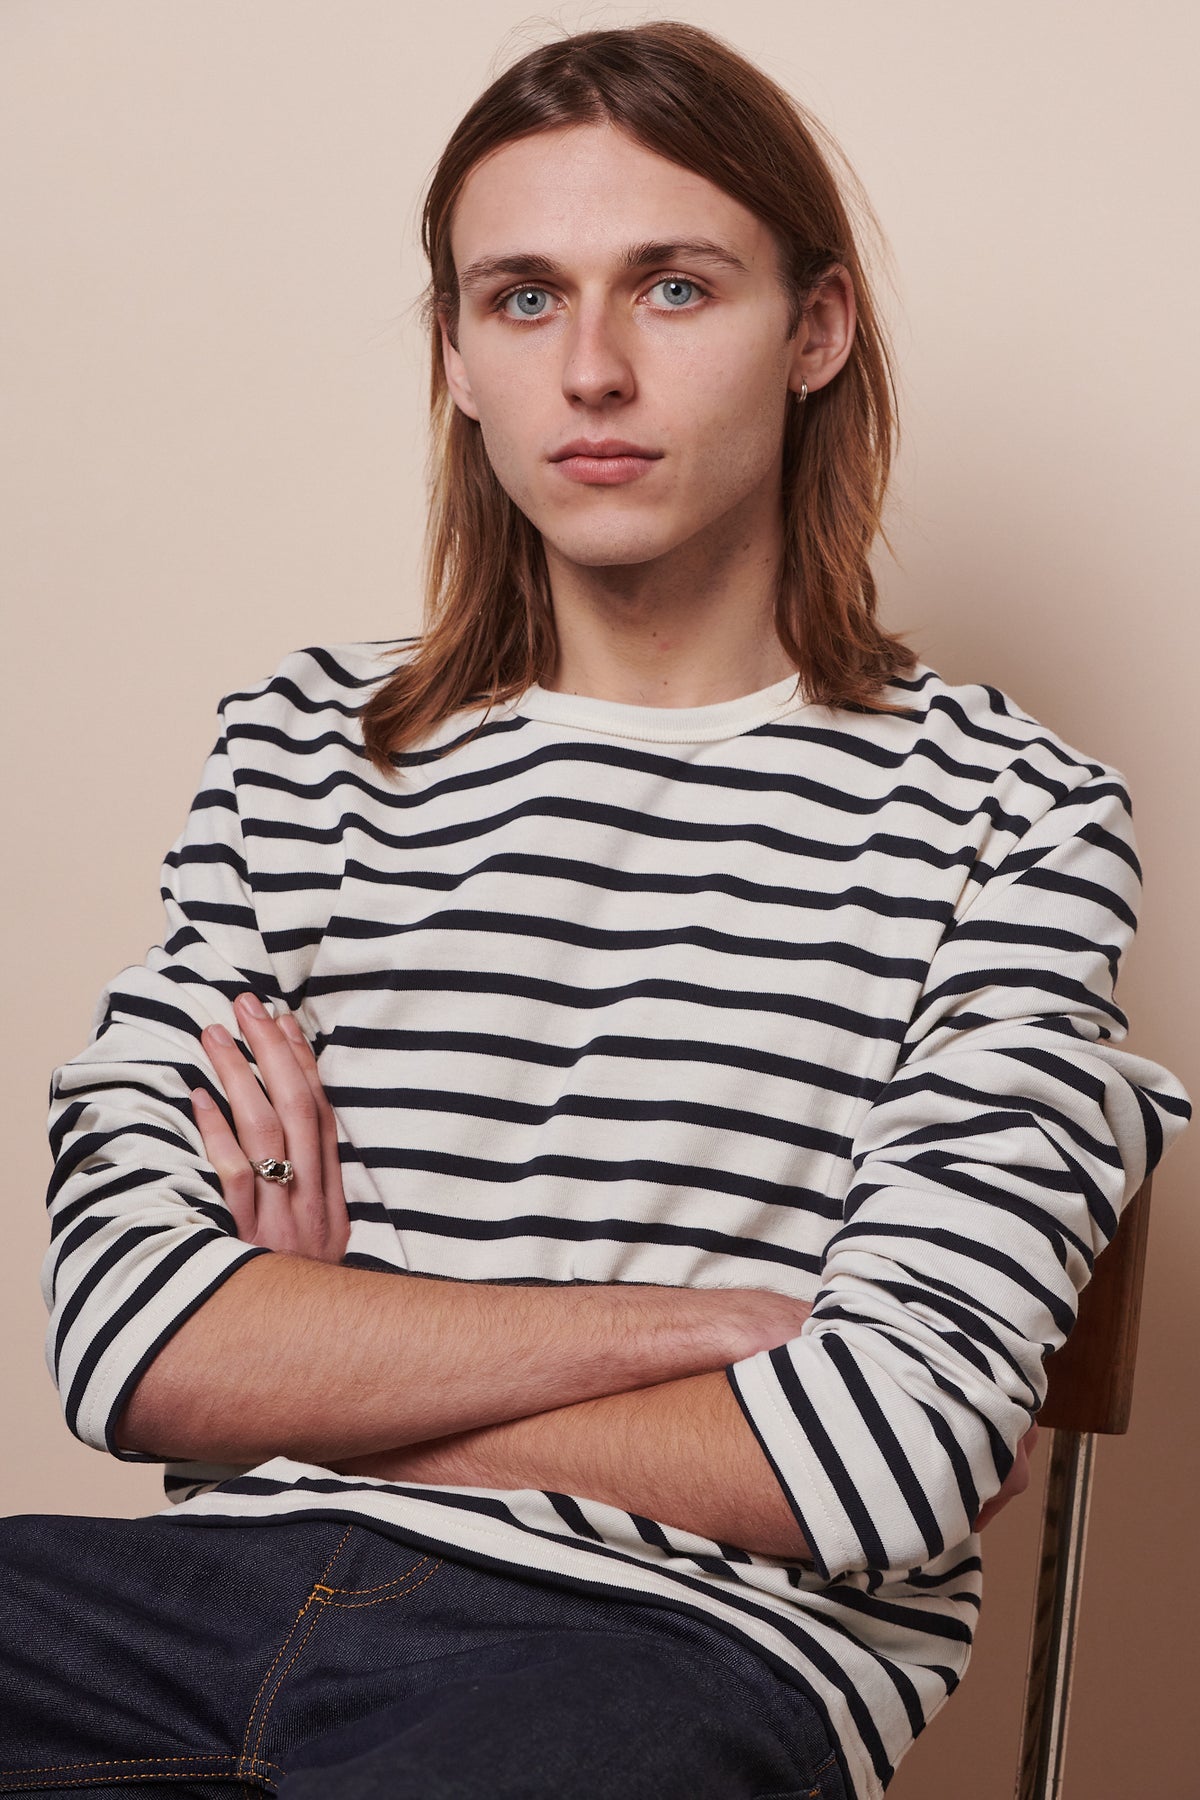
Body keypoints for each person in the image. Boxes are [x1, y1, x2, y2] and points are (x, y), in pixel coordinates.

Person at [5, 20, 1189, 1800]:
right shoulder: (303, 751)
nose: (598, 369)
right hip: (171, 1604)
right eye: (526, 298)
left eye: (677, 287)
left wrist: (337, 1349)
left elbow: (887, 1457)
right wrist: (715, 1330)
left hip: (657, 1647)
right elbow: (130, 1336)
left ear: (817, 329)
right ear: (459, 359)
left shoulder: (1012, 818)